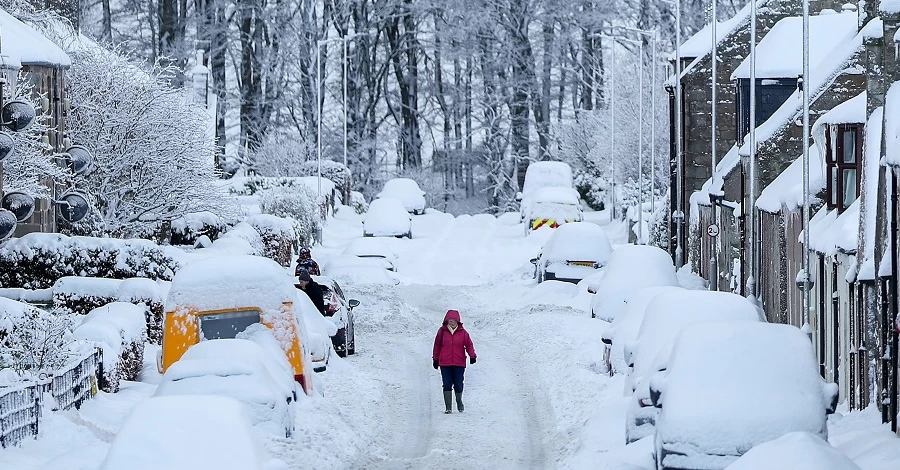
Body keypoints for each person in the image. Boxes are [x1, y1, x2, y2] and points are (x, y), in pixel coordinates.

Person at [432, 309, 476, 414]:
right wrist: (435, 359)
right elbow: (437, 346)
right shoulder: (442, 332)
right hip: (445, 363)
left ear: (457, 320)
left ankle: (459, 401)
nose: (451, 321)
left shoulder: (463, 333)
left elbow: (469, 345)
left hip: (459, 363)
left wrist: (472, 356)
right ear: (446, 320)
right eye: (449, 319)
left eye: (453, 319)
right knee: (447, 384)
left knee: (458, 384)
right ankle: (448, 408)